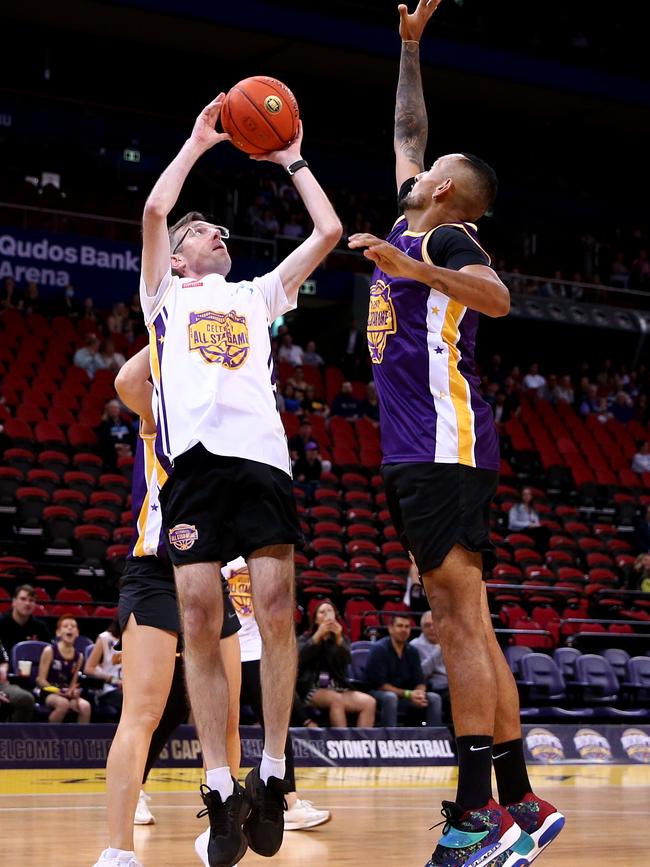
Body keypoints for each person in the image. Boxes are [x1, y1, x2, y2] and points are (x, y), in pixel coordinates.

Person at [347, 4, 563, 865]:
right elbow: (408, 125)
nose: (417, 162)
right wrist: (408, 47)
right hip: (437, 450)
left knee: (458, 628)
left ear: (444, 189)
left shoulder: (442, 231)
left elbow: (503, 298)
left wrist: (414, 268)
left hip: (439, 447)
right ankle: (521, 800)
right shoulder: (417, 210)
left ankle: (478, 819)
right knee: (471, 622)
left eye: (429, 166)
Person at [139, 93, 341, 867]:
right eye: (203, 231)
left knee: (278, 609)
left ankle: (277, 768)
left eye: (217, 229)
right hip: (192, 465)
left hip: (261, 458)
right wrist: (195, 141)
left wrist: (291, 158)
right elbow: (157, 209)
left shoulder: (257, 294)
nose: (215, 232)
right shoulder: (164, 293)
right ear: (183, 257)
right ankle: (220, 786)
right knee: (198, 613)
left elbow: (326, 232)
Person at [92, 348, 242, 867]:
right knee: (142, 715)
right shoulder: (165, 409)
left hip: (211, 576)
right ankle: (118, 852)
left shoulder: (236, 430)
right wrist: (174, 321)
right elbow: (127, 378)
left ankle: (219, 833)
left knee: (224, 721)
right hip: (156, 574)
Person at [222, 557, 331, 834]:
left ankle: (288, 801)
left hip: (258, 652)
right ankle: (223, 803)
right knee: (217, 728)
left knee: (277, 726)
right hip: (226, 650)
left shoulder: (257, 551)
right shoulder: (214, 549)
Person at [298, 601, 376, 727]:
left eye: (330, 611)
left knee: (369, 702)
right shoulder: (305, 638)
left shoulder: (341, 639)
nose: (327, 615)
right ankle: (343, 744)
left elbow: (347, 661)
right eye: (322, 612)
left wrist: (339, 639)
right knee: (336, 700)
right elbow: (300, 659)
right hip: (311, 689)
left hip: (337, 688)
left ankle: (360, 746)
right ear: (316, 619)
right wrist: (318, 636)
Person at [366, 614, 442, 728]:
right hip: (379, 694)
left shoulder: (412, 651)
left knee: (434, 698)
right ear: (390, 628)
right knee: (390, 697)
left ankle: (435, 740)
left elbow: (420, 680)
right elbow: (380, 685)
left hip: (406, 695)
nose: (404, 630)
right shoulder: (379, 649)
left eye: (407, 627)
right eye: (400, 626)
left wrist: (419, 693)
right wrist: (409, 694)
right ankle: (389, 738)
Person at [36, 616, 92, 723]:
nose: (70, 628)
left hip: (66, 694)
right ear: (58, 632)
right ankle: (50, 738)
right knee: (63, 704)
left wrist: (73, 691)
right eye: (65, 626)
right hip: (48, 692)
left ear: (77, 633)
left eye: (73, 626)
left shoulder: (79, 656)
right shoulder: (50, 651)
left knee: (85, 706)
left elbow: (73, 683)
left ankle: (80, 739)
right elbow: (41, 681)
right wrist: (58, 691)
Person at [84, 618, 123, 715]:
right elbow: (89, 669)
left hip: (130, 688)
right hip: (109, 687)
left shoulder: (135, 639)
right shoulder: (105, 638)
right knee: (131, 701)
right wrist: (114, 680)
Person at [0, 584, 50, 654]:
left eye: (31, 600)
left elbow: (48, 652)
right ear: (14, 602)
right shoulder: (1, 623)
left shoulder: (41, 627)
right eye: (23, 599)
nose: (27, 603)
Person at [410, 610, 448, 698]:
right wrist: (438, 651)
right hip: (432, 687)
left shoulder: (449, 642)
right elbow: (421, 673)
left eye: (434, 624)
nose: (431, 628)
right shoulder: (414, 645)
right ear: (422, 628)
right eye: (427, 625)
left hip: (453, 685)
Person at [0, 638, 35, 722]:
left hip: (2, 685)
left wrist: (2, 670)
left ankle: (14, 733)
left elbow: (3, 661)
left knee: (26, 699)